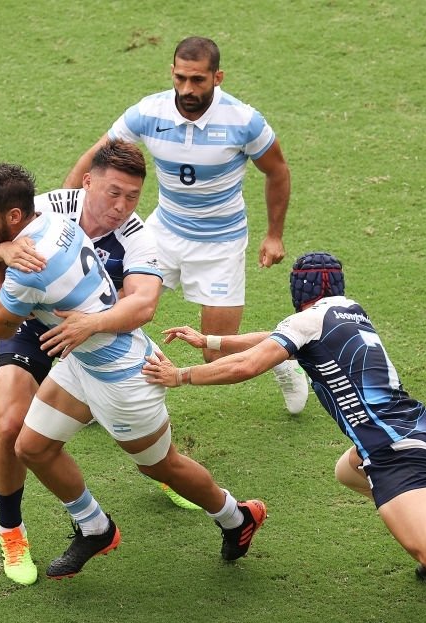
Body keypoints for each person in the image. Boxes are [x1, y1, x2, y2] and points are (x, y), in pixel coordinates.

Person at [143, 252, 426, 623]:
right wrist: (211, 340)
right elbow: (274, 340)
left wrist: (181, 376)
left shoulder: (305, 322)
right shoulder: (347, 310)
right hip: (416, 428)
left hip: (390, 449)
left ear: (298, 288)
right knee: (347, 471)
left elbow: (250, 364)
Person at [0, 161, 267, 581]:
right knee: (32, 447)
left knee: (162, 466)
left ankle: (237, 516)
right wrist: (1, 250)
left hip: (124, 379)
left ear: (14, 217)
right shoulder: (55, 221)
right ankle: (96, 528)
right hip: (82, 362)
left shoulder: (29, 267)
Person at [64, 35, 309, 415]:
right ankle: (94, 396)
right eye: (180, 78)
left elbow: (277, 171)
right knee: (107, 313)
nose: (187, 89)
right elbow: (95, 157)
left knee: (215, 351)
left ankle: (281, 356)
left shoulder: (244, 121)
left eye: (197, 80)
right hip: (161, 235)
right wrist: (64, 219)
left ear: (217, 77)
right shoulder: (149, 112)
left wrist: (274, 234)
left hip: (221, 245)